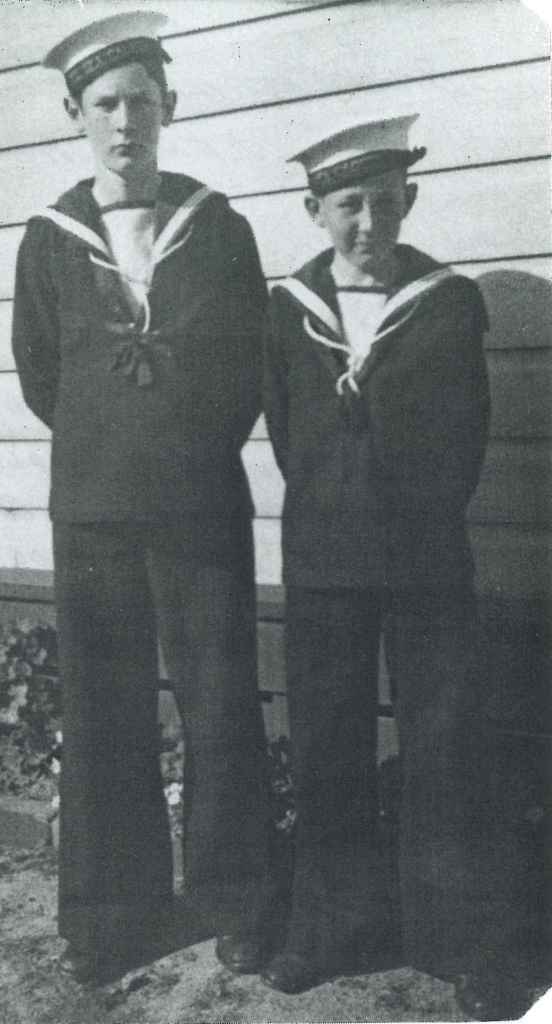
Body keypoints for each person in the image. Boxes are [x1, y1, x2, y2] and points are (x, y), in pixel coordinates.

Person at [12, 10, 273, 984]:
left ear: (170, 107)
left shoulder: (218, 227)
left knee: (220, 702)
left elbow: (247, 366)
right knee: (102, 709)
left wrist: (179, 447)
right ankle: (110, 913)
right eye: (106, 104)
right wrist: (112, 447)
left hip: (199, 507)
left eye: (142, 102)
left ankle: (237, 900)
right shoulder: (48, 240)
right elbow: (44, 373)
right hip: (94, 514)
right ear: (74, 114)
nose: (126, 122)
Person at [262, 115, 530, 1018]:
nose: (369, 222)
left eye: (384, 202)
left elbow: (467, 430)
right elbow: (288, 431)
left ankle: (459, 941)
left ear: (408, 200)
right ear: (316, 211)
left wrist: (411, 513)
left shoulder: (447, 302)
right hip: (323, 560)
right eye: (349, 205)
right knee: (328, 747)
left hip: (425, 559)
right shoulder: (287, 309)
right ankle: (330, 926)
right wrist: (337, 504)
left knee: (446, 745)